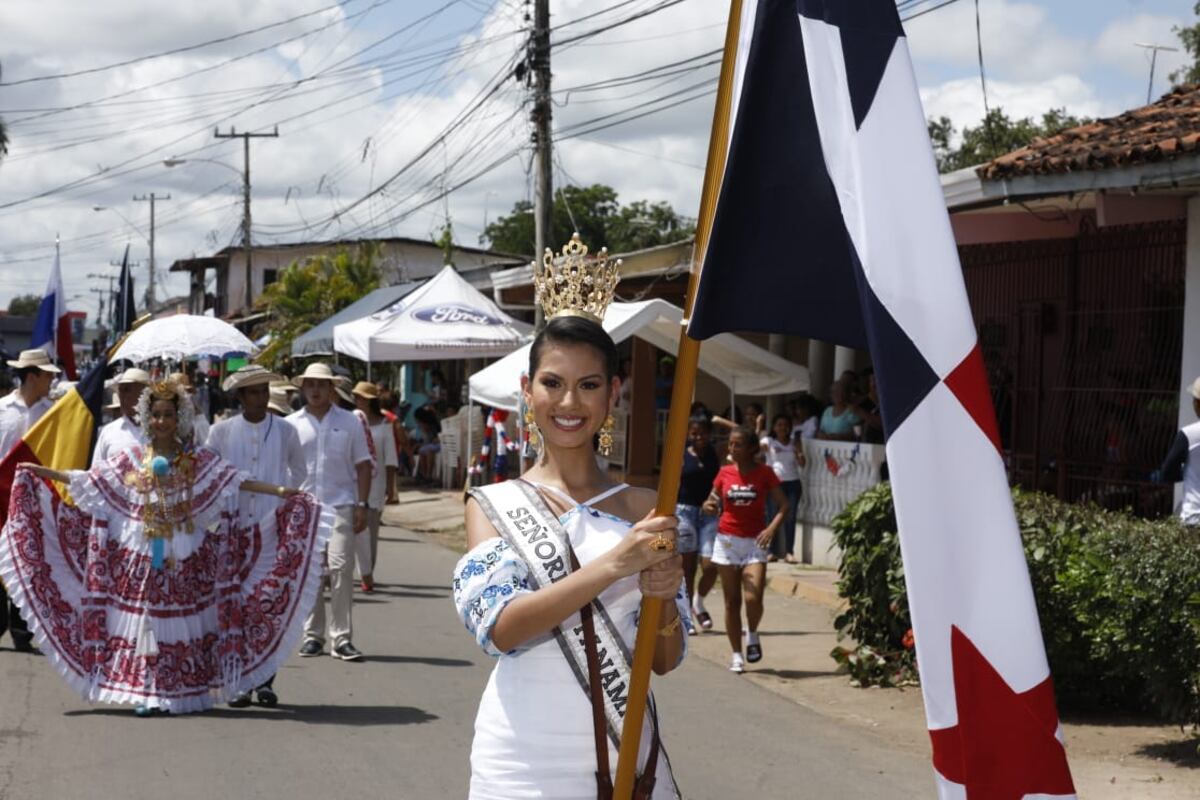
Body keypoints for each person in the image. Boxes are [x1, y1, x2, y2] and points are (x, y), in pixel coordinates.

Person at [453, 313, 688, 798]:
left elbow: (664, 659)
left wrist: (663, 596)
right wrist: (615, 565)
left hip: (626, 753)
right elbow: (502, 630)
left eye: (588, 385)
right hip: (521, 760)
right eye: (553, 383)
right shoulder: (492, 504)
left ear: (613, 393)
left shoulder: (647, 508)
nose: (569, 403)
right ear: (527, 389)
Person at [0, 377, 328, 715]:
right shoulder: (132, 458)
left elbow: (236, 481)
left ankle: (175, 689)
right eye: (156, 415)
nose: (161, 421)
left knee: (177, 619)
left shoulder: (195, 459)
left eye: (168, 415)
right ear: (147, 417)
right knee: (146, 617)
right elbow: (89, 479)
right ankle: (148, 690)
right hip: (141, 550)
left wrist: (280, 492)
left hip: (184, 550)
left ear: (178, 418)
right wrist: (42, 472)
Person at [206, 365, 309, 708]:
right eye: (253, 392)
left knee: (266, 606)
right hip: (232, 529)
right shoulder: (221, 432)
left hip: (271, 530)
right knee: (234, 608)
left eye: (264, 391)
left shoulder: (285, 430)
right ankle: (238, 683)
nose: (260, 398)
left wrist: (282, 502)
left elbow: (300, 471)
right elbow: (208, 473)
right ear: (240, 397)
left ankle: (265, 680)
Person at [288, 362, 373, 662]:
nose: (315, 390)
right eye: (310, 384)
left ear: (331, 388)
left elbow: (363, 464)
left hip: (340, 504)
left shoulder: (350, 421)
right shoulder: (291, 424)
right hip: (304, 507)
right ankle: (313, 635)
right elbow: (284, 467)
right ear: (302, 388)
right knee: (311, 572)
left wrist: (362, 504)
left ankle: (342, 638)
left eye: (321, 384)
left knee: (341, 567)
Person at [702, 427, 788, 673]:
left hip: (755, 542)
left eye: (737, 444)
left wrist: (771, 529)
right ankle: (737, 655)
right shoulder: (724, 472)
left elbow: (784, 505)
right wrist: (709, 506)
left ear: (751, 448)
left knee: (753, 597)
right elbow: (711, 500)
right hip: (727, 541)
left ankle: (752, 632)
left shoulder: (765, 473)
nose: (732, 448)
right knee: (732, 601)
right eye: (730, 444)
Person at [0, 349, 59, 654]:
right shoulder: (2, 410)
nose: (51, 381)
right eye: (48, 375)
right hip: (0, 496)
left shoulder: (53, 414)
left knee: (28, 563)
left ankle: (21, 629)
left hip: (34, 501)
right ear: (33, 376)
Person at [352, 381, 398, 592]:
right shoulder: (351, 422)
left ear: (369, 401)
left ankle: (367, 572)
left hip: (376, 484)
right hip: (353, 484)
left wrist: (391, 487)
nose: (357, 401)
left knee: (370, 532)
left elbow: (391, 459)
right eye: (356, 397)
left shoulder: (384, 425)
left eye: (360, 398)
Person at [676, 416, 719, 635]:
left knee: (711, 566)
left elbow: (746, 434)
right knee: (688, 569)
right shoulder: (680, 454)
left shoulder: (716, 452)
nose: (698, 437)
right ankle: (687, 617)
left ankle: (698, 602)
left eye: (703, 433)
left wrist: (720, 420)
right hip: (684, 513)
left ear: (710, 434)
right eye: (694, 433)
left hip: (709, 514)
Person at [1155, 376, 1200, 525]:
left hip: (1194, 518)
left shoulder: (1189, 434)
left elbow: (1166, 473)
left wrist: (1187, 472)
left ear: (1197, 403)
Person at [761, 413, 805, 563]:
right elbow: (755, 446)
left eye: (785, 425)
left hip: (793, 483)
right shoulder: (769, 441)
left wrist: (799, 451)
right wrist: (758, 427)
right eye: (779, 425)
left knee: (790, 518)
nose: (782, 428)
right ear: (774, 427)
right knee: (772, 516)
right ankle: (770, 551)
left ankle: (789, 552)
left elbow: (802, 463)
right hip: (774, 484)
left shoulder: (794, 443)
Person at [91, 367, 150, 466]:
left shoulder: (161, 429)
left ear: (144, 393)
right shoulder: (109, 432)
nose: (122, 395)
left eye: (127, 390)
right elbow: (96, 471)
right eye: (120, 390)